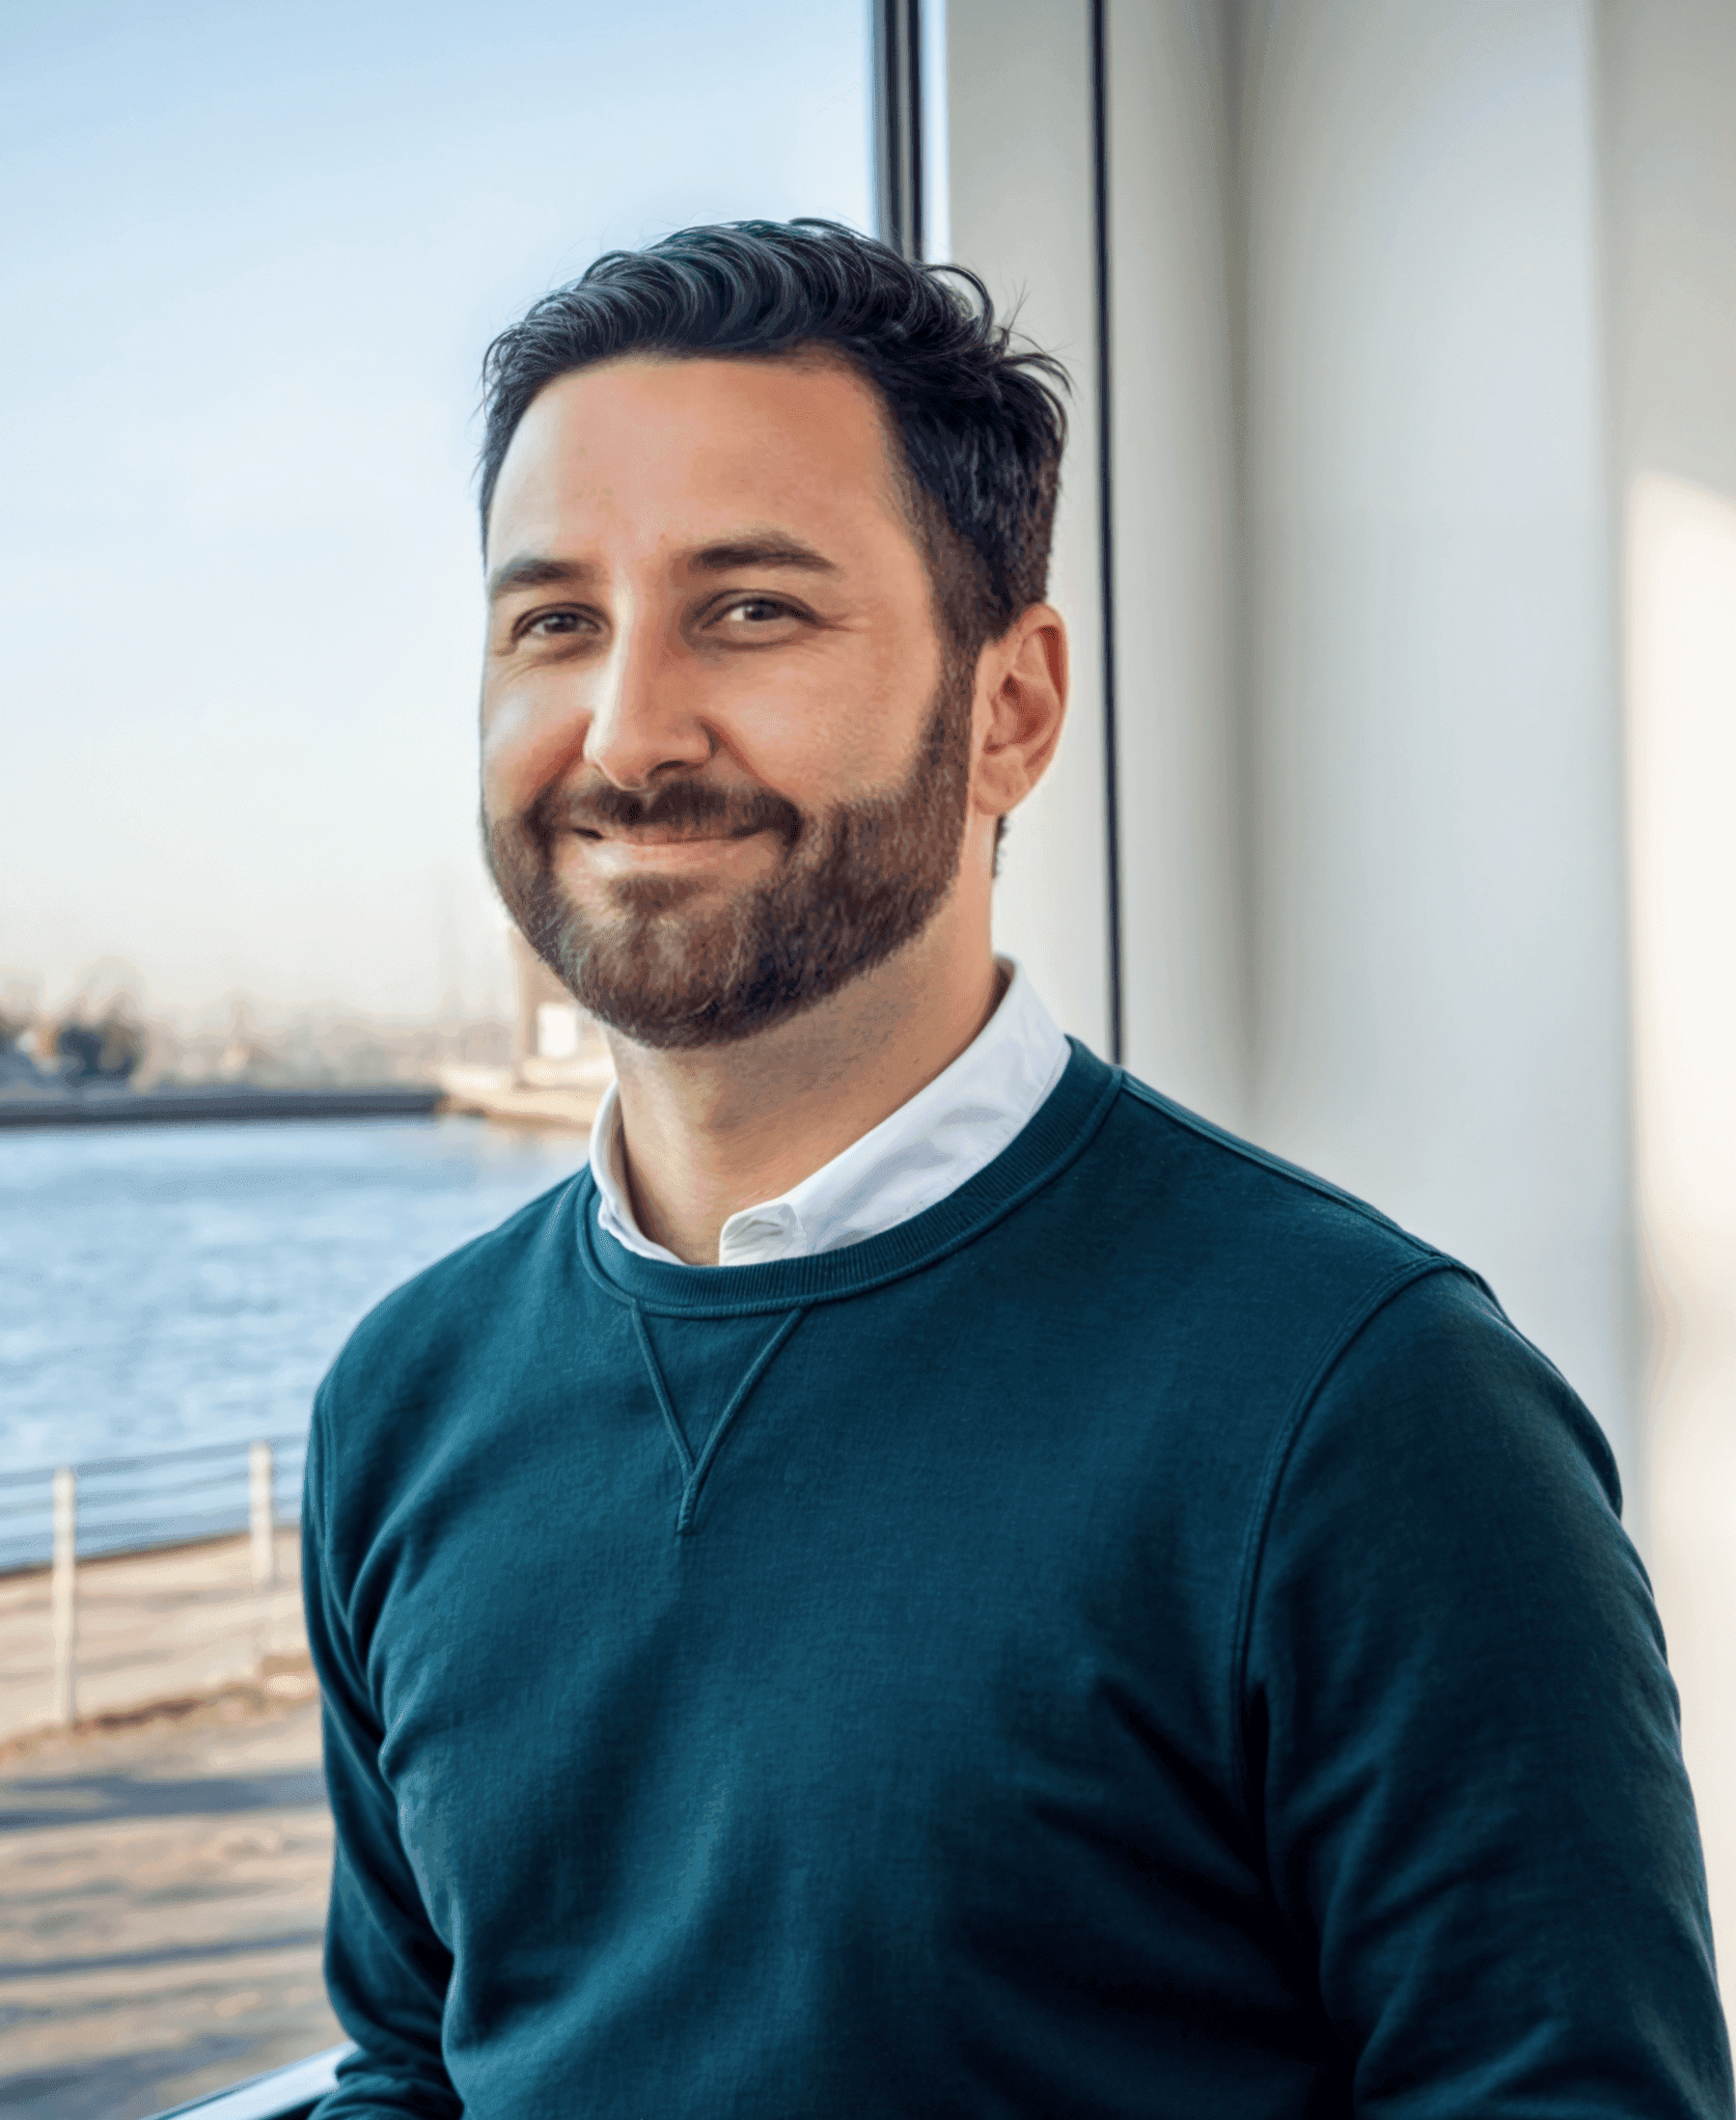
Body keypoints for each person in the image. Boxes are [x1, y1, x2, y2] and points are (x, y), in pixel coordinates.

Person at [303, 220, 1731, 2119]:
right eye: (552, 620)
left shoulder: (1363, 1407)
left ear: (1010, 709)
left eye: (749, 609)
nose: (627, 733)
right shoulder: (400, 1402)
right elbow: (411, 2066)